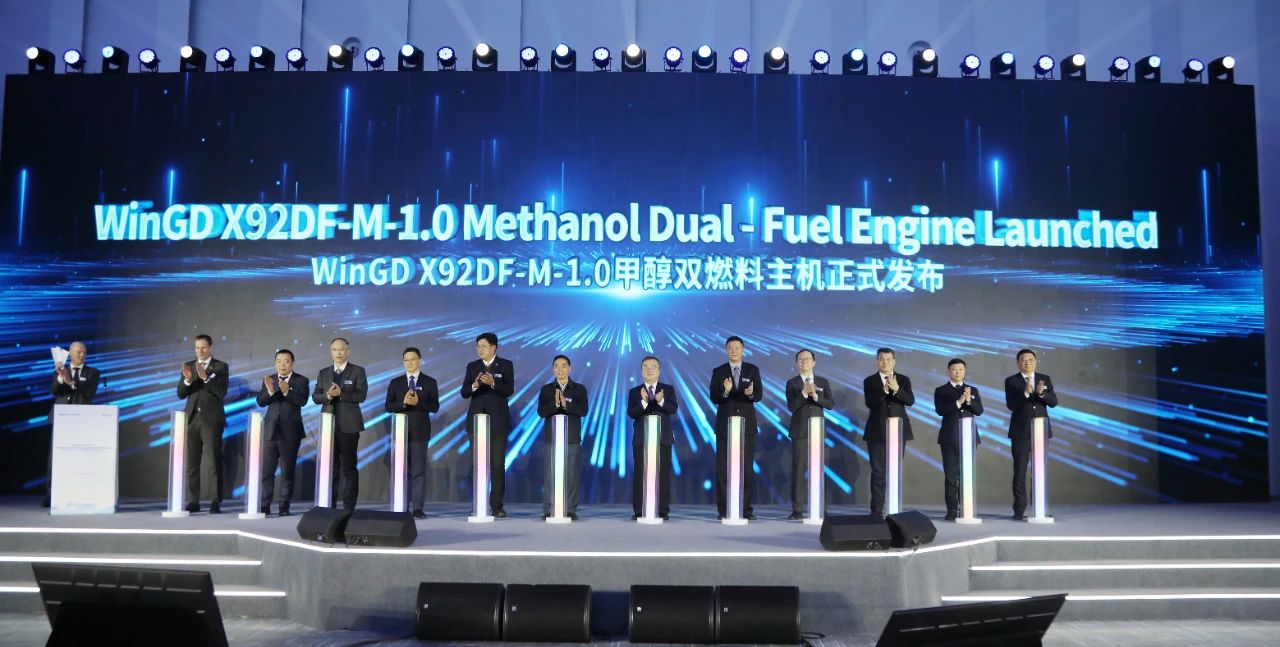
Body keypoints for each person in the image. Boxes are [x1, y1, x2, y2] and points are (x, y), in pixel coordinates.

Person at [461, 332, 515, 518]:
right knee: (477, 466)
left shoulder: (506, 365)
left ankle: (497, 506)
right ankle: (478, 503)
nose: (480, 349)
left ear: (494, 347)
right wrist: (475, 385)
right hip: (476, 423)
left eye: (483, 346)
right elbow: (464, 392)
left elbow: (509, 389)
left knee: (497, 466)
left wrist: (493, 383)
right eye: (478, 346)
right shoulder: (472, 366)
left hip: (498, 423)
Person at [709, 336, 763, 521]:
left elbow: (759, 395)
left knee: (746, 468)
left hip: (746, 425)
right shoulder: (719, 371)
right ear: (726, 350)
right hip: (725, 426)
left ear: (743, 350)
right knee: (723, 469)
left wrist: (751, 394)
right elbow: (714, 397)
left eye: (737, 348)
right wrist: (726, 391)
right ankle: (724, 510)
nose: (734, 351)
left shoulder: (752, 369)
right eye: (730, 348)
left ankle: (746, 509)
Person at [312, 337, 368, 510]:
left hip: (349, 425)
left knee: (349, 467)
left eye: (341, 349)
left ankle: (349, 506)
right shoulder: (324, 373)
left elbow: (361, 396)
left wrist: (341, 393)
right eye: (335, 350)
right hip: (328, 425)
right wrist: (328, 396)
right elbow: (315, 397)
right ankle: (329, 505)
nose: (338, 353)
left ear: (348, 351)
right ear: (331, 352)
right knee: (331, 468)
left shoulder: (358, 371)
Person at [384, 347, 440, 519]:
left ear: (420, 360)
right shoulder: (396, 382)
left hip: (420, 432)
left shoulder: (430, 381)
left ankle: (417, 508)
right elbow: (388, 406)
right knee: (401, 471)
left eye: (413, 359)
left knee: (418, 471)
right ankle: (400, 505)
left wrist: (417, 403)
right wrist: (403, 403)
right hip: (400, 433)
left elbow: (434, 407)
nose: (409, 363)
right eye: (406, 360)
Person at [176, 334, 229, 514]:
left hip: (211, 419)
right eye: (197, 348)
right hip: (192, 418)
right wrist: (187, 380)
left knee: (213, 461)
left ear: (211, 348)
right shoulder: (189, 366)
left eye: (203, 347)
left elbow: (221, 392)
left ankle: (215, 500)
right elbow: (181, 394)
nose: (200, 351)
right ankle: (193, 500)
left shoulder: (220, 367)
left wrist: (205, 377)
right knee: (192, 463)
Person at [1004, 349, 1058, 521]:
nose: (1027, 362)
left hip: (1041, 432)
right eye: (1023, 360)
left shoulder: (1044, 378)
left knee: (1039, 472)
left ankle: (1039, 508)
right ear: (1018, 362)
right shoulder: (1012, 381)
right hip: (1020, 432)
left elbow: (1054, 402)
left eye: (1030, 359)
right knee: (1020, 471)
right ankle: (1019, 510)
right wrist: (1026, 393)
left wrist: (1042, 393)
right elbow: (1011, 405)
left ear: (1035, 361)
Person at [46, 341, 101, 506]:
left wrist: (71, 382)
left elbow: (88, 394)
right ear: (70, 354)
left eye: (84, 352)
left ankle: (78, 493)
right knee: (55, 457)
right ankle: (51, 495)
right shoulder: (61, 370)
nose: (82, 355)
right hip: (61, 418)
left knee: (79, 456)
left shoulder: (93, 372)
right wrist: (61, 378)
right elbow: (54, 391)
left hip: (81, 419)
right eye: (78, 352)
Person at [255, 348, 309, 516]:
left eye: (286, 361)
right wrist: (271, 391)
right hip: (270, 431)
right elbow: (261, 401)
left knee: (287, 471)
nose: (282, 364)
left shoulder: (301, 380)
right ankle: (264, 505)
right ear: (275, 363)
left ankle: (284, 506)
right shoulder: (269, 379)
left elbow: (302, 401)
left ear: (292, 363)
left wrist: (287, 391)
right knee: (267, 471)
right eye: (279, 361)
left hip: (290, 432)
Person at [862, 347, 915, 519]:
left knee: (895, 471)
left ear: (894, 361)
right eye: (881, 359)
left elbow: (910, 401)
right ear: (877, 361)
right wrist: (885, 390)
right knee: (878, 472)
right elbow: (870, 403)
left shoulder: (903, 379)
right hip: (876, 431)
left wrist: (897, 389)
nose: (885, 362)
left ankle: (894, 509)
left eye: (888, 359)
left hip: (898, 431)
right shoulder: (870, 381)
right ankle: (876, 511)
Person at [536, 355, 589, 520]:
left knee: (571, 475)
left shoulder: (579, 389)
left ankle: (570, 509)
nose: (560, 369)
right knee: (550, 474)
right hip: (552, 438)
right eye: (557, 366)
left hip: (571, 438)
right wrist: (556, 404)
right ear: (553, 369)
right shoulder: (546, 389)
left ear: (570, 369)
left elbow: (583, 411)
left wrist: (566, 404)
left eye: (564, 365)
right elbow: (541, 412)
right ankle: (549, 508)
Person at [785, 349, 835, 520]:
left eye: (807, 359)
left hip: (818, 432)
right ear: (796, 363)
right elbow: (792, 406)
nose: (804, 361)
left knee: (819, 470)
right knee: (798, 471)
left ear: (814, 362)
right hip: (800, 432)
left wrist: (816, 397)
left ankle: (821, 507)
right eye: (801, 359)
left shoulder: (822, 382)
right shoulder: (792, 383)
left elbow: (830, 404)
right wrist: (804, 394)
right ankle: (797, 509)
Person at [626, 356, 678, 520]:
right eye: (646, 367)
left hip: (662, 438)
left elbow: (673, 409)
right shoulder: (635, 391)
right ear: (641, 370)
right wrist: (643, 401)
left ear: (659, 370)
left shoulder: (667, 389)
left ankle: (662, 511)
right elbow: (632, 413)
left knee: (663, 474)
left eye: (653, 366)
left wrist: (661, 401)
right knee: (640, 474)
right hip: (642, 439)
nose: (649, 369)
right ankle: (639, 511)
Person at [934, 358, 984, 521]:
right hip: (949, 438)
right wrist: (959, 402)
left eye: (961, 369)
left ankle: (966, 508)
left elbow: (979, 411)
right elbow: (940, 410)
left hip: (969, 437)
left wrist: (969, 401)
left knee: (966, 475)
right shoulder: (941, 390)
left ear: (965, 371)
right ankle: (952, 510)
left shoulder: (972, 390)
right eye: (954, 369)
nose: (957, 372)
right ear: (949, 371)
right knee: (951, 476)